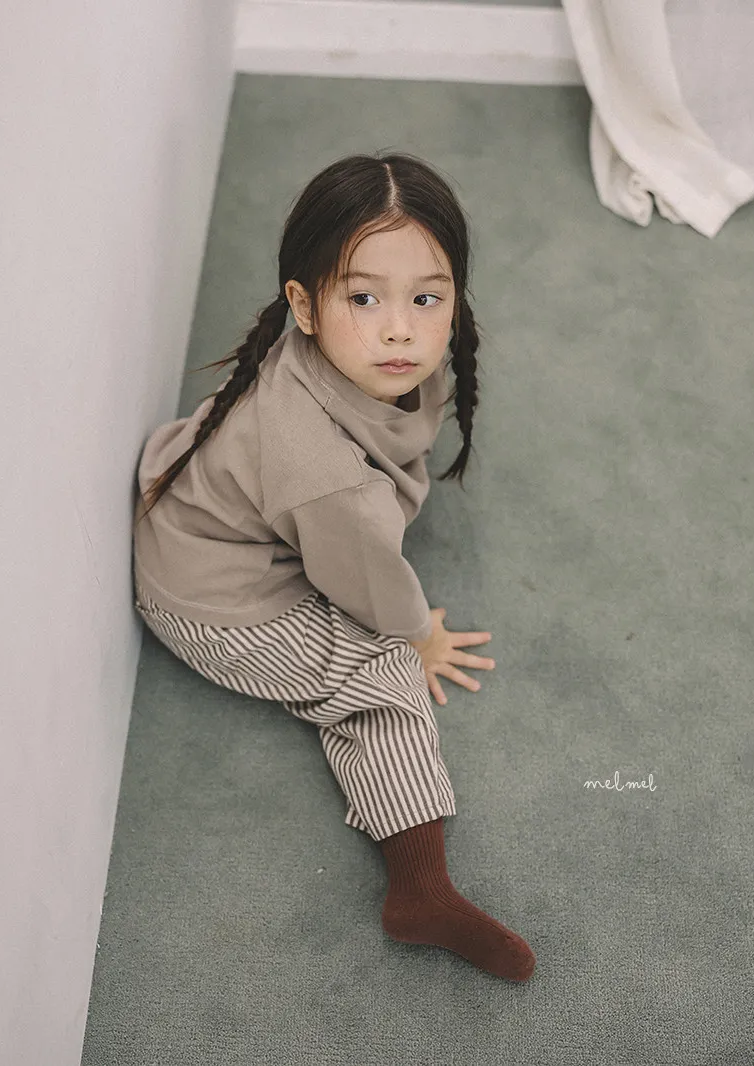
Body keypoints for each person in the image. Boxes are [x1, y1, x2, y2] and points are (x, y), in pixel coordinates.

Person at [131, 151, 536, 983]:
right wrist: (418, 635)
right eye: (364, 298)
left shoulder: (363, 366)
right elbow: (368, 583)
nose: (400, 330)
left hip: (239, 516)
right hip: (217, 598)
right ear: (304, 306)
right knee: (379, 673)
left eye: (426, 298)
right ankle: (419, 891)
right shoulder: (325, 476)